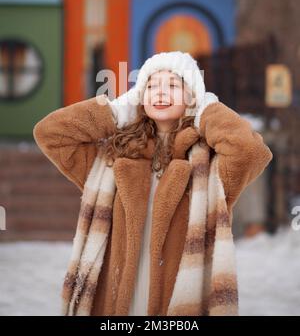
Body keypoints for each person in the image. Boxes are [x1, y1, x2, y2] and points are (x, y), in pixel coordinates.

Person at [33, 51, 273, 316]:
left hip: (180, 303)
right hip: (115, 303)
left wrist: (207, 111)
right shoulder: (112, 157)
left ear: (192, 96)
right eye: (151, 86)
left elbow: (251, 151)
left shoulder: (211, 164)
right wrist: (114, 111)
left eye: (173, 85)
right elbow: (50, 133)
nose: (160, 93)